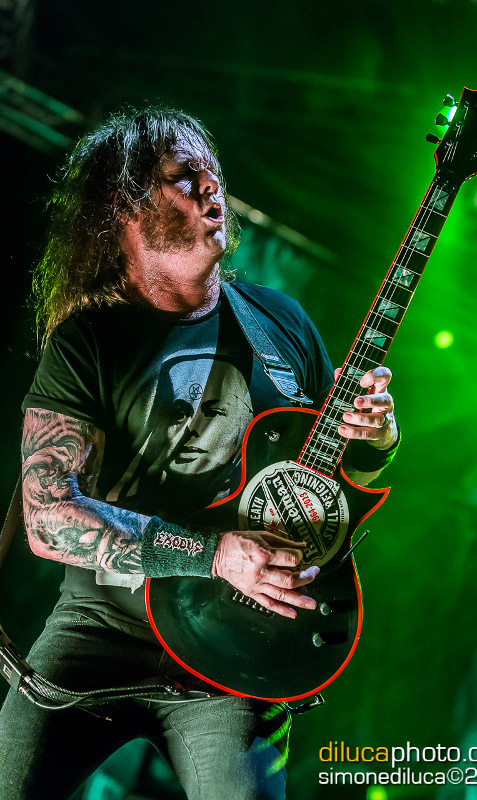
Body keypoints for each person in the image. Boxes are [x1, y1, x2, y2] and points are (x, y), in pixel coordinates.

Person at [0, 107, 399, 800]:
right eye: (185, 176)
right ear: (126, 207)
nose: (213, 185)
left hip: (236, 652)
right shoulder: (90, 341)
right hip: (99, 630)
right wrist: (215, 553)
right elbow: (48, 518)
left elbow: (329, 491)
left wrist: (375, 441)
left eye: (213, 171)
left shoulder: (282, 322)